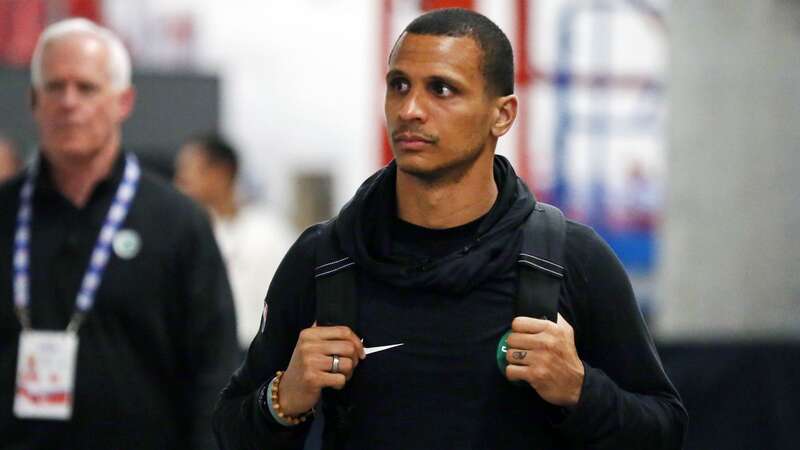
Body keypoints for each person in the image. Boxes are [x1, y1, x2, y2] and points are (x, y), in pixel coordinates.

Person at [213, 8, 686, 450]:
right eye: (399, 85)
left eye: (441, 89)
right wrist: (283, 398)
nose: (410, 109)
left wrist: (581, 390)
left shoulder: (571, 260)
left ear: (502, 115)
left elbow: (664, 429)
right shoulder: (325, 259)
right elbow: (230, 426)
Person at [0, 18, 238, 449]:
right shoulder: (5, 213)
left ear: (123, 101)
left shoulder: (178, 223)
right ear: (34, 100)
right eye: (54, 87)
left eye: (86, 88)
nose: (69, 102)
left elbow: (213, 370)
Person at [174, 133, 296, 351]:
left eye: (187, 174)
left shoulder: (270, 230)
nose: (179, 185)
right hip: (205, 352)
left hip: (261, 352)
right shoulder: (185, 234)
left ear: (220, 173)